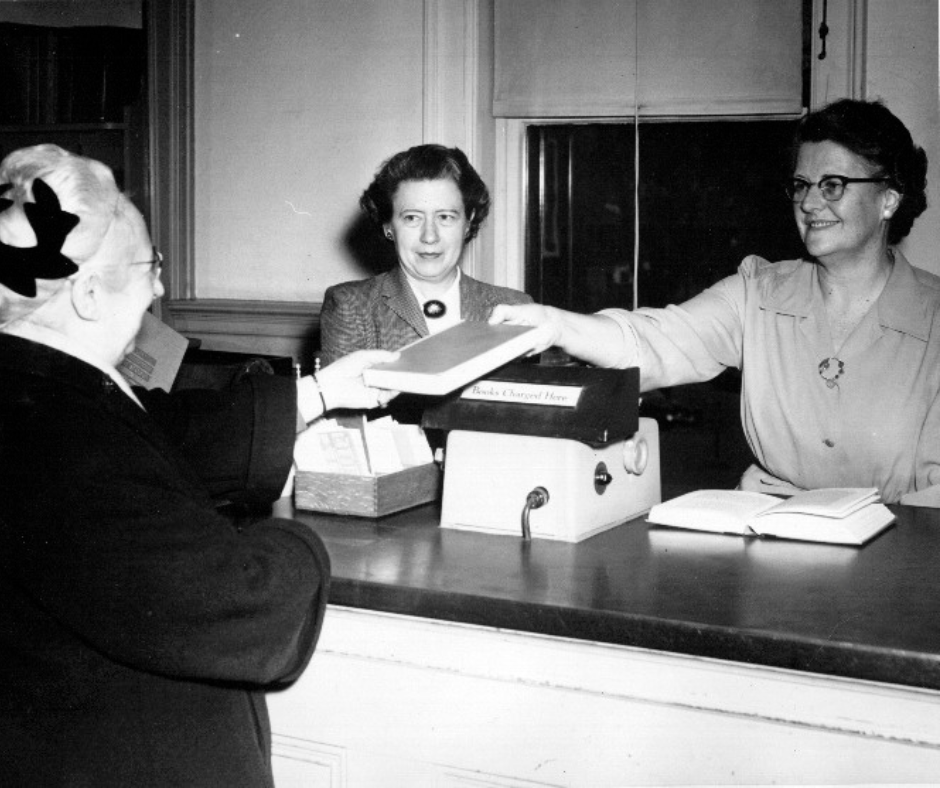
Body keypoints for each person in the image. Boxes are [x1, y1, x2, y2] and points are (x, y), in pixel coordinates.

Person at [0, 144, 398, 786]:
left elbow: (159, 431)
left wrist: (320, 393)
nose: (159, 286)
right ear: (91, 294)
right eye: (148, 264)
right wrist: (297, 538)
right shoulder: (65, 439)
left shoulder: (38, 389)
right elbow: (245, 612)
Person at [491, 98, 938, 505]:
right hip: (777, 548)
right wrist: (556, 325)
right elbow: (657, 340)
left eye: (833, 185)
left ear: (889, 200)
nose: (809, 202)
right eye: (801, 185)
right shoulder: (758, 292)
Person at [318, 143, 533, 366]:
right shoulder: (351, 305)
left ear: (468, 223)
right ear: (388, 225)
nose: (429, 236)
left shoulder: (514, 306)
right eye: (412, 218)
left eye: (446, 217)